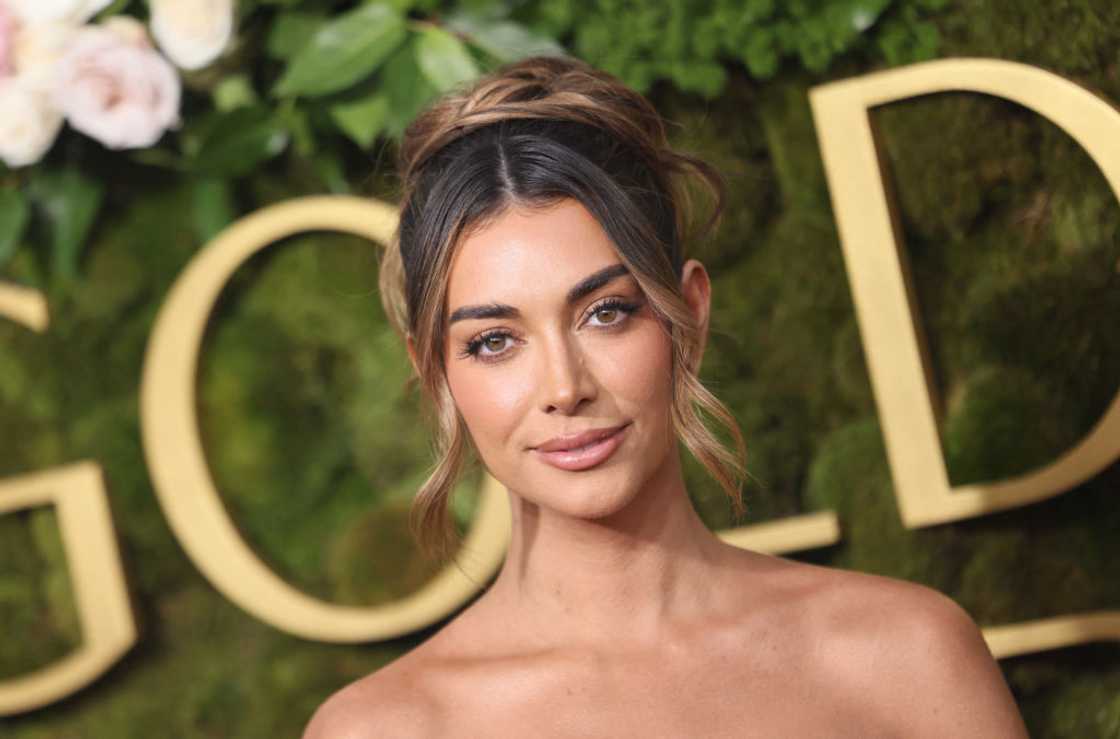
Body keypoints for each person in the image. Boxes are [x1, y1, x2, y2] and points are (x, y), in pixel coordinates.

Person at [303, 55, 1029, 737]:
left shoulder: (906, 657)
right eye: (494, 340)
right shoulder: (388, 727)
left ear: (690, 314)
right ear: (435, 370)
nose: (564, 387)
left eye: (606, 312)